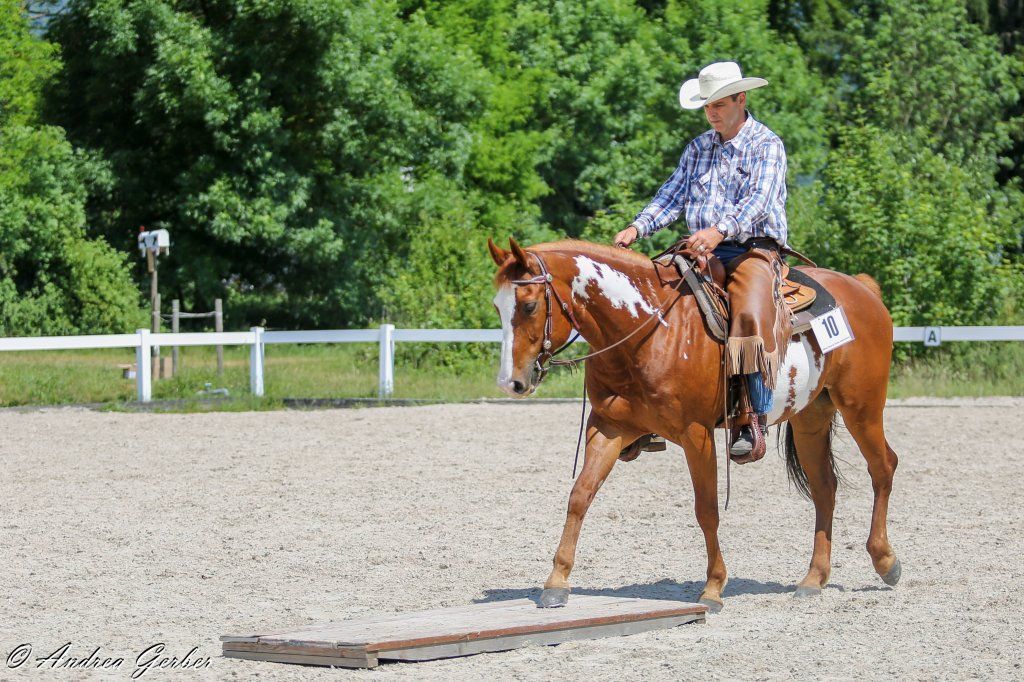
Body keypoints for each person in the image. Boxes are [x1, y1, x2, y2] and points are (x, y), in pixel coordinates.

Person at [613, 61, 789, 461]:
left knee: (747, 312)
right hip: (698, 249)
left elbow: (758, 202)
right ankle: (643, 415)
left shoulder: (766, 145)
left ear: (741, 99)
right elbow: (670, 196)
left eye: (720, 104)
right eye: (707, 105)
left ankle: (750, 415)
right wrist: (638, 228)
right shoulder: (697, 148)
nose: (712, 112)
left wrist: (719, 231)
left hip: (751, 249)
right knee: (648, 302)